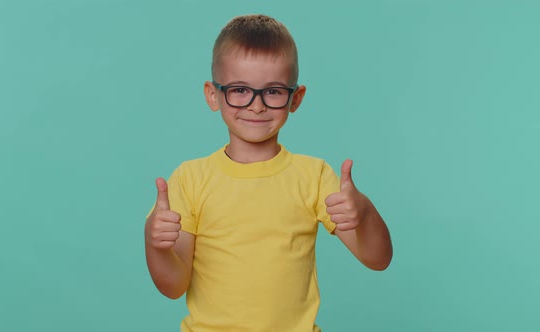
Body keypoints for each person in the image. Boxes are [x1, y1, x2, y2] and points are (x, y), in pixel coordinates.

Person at [144, 14, 393, 332]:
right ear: (213, 94)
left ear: (296, 98)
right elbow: (173, 285)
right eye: (239, 90)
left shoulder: (314, 176)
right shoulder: (190, 179)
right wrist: (155, 245)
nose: (256, 106)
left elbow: (378, 259)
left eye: (273, 92)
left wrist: (365, 212)